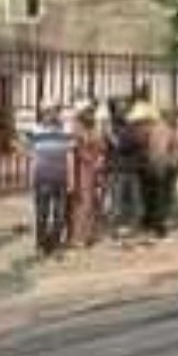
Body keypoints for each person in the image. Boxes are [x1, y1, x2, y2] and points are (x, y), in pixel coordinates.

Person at [22, 103, 75, 257]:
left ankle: (56, 245)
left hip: (61, 178)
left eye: (55, 111)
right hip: (42, 178)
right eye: (48, 111)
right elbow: (26, 149)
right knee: (42, 214)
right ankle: (40, 245)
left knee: (59, 215)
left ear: (58, 113)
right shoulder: (35, 130)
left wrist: (71, 179)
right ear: (43, 113)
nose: (51, 114)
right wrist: (32, 172)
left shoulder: (66, 130)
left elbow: (70, 155)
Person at [107, 101, 148, 237]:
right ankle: (115, 230)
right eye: (120, 110)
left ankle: (132, 229)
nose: (122, 112)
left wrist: (113, 139)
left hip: (130, 169)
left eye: (124, 110)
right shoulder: (115, 127)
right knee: (119, 203)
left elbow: (124, 145)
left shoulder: (130, 128)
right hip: (120, 169)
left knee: (135, 203)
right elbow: (110, 148)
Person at [68, 102, 105, 248]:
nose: (91, 114)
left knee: (94, 201)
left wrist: (100, 158)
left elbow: (101, 145)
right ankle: (78, 236)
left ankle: (89, 233)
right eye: (88, 111)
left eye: (92, 111)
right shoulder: (76, 128)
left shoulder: (94, 127)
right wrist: (92, 160)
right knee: (83, 202)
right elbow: (77, 150)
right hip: (81, 170)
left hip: (94, 169)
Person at [142, 108, 178, 238]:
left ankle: (149, 223)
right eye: (174, 116)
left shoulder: (152, 128)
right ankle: (159, 228)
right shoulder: (167, 130)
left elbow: (147, 147)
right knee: (163, 198)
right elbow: (163, 150)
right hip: (164, 166)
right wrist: (165, 164)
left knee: (153, 196)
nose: (175, 119)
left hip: (152, 165)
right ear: (168, 117)